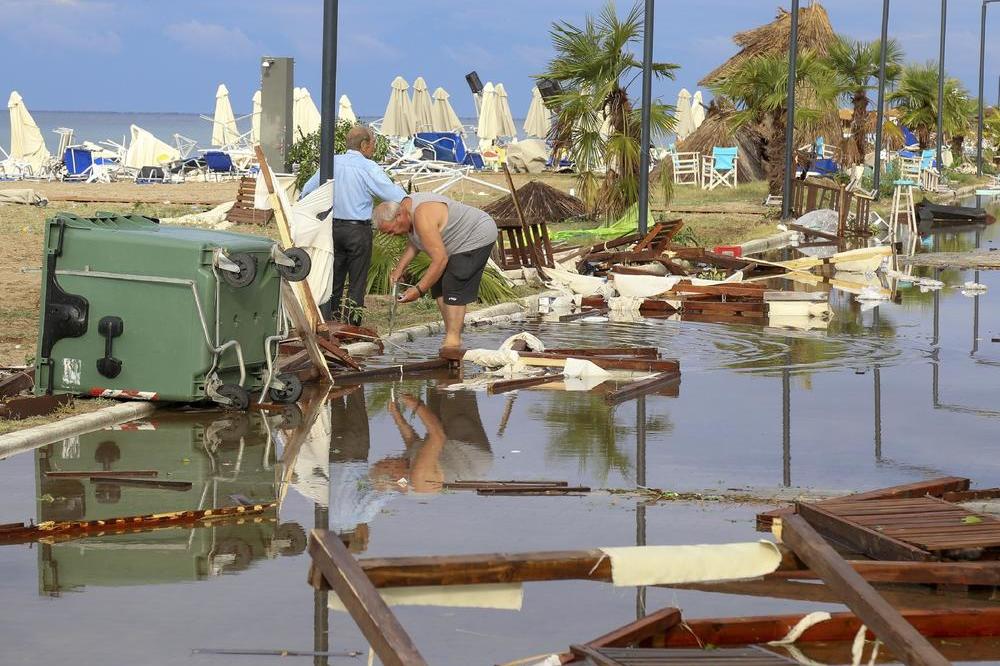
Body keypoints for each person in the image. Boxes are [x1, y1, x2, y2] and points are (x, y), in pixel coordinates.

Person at [373, 193, 498, 349]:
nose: (393, 235)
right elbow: (415, 242)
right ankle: (451, 334)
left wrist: (418, 290)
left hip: (476, 233)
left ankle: (453, 341)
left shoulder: (422, 216)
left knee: (454, 281)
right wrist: (399, 269)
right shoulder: (406, 209)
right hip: (454, 243)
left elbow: (440, 260)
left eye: (391, 231)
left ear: (399, 216)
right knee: (438, 284)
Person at [317, 125, 406, 325]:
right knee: (357, 281)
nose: (373, 148)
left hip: (332, 227)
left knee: (334, 279)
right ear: (364, 145)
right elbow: (392, 194)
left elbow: (308, 189)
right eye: (373, 143)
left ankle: (329, 321)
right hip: (357, 230)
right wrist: (413, 201)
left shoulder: (332, 162)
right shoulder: (368, 167)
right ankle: (352, 325)